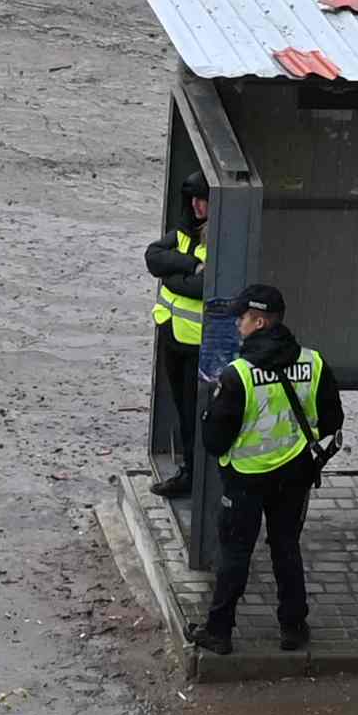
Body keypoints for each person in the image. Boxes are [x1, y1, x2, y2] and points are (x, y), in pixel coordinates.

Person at [192, 280, 338, 656]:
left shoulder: (237, 375)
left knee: (235, 554)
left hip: (244, 479)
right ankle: (293, 628)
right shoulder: (314, 361)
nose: (237, 322)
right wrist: (295, 442)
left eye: (242, 316)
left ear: (259, 322)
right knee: (286, 548)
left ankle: (219, 632)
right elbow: (332, 419)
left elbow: (214, 440)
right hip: (295, 476)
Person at [145, 185, 219, 500]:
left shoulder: (220, 238)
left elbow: (204, 287)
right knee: (182, 410)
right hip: (173, 336)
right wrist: (188, 267)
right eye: (192, 199)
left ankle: (193, 475)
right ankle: (189, 470)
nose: (195, 205)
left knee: (195, 415)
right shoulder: (185, 232)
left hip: (198, 347)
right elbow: (153, 257)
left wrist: (173, 275)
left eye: (201, 199)